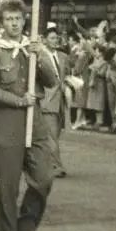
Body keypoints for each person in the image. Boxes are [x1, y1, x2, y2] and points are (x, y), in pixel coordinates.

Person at [0, 0, 60, 231]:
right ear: (1, 23)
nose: (15, 23)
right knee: (8, 187)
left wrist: (42, 56)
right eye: (9, 19)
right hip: (7, 121)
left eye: (19, 18)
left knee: (44, 177)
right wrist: (17, 100)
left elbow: (51, 81)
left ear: (25, 20)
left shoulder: (32, 48)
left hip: (34, 120)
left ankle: (26, 226)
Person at [40, 28, 71, 178]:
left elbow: (73, 71)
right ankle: (57, 166)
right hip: (47, 99)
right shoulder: (40, 55)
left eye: (56, 38)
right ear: (45, 40)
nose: (55, 41)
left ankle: (46, 162)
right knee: (51, 135)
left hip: (61, 100)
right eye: (51, 38)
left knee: (55, 135)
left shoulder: (63, 56)